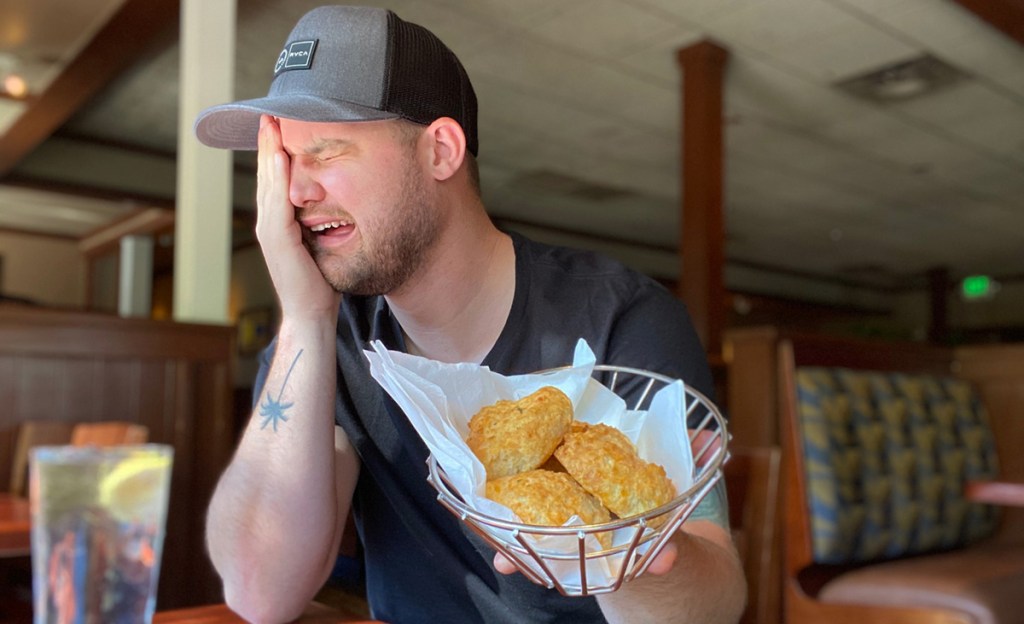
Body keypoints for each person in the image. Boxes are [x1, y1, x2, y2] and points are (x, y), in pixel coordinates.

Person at [194, 5, 745, 623]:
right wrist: (302, 321)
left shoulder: (621, 316)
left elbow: (712, 606)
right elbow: (257, 590)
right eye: (282, 165)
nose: (295, 194)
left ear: (440, 151)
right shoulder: (331, 338)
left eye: (324, 154)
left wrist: (623, 558)